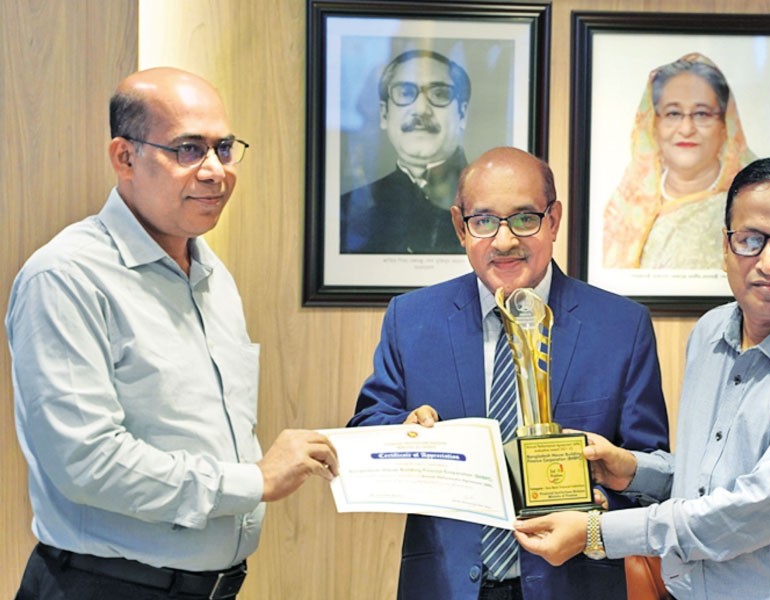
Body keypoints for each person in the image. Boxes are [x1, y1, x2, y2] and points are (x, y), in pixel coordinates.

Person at [6, 67, 339, 600]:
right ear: (125, 157)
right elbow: (86, 462)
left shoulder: (212, 274)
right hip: (104, 587)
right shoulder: (65, 276)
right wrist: (254, 481)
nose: (215, 171)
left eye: (224, 148)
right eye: (188, 149)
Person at [514, 158, 770, 600]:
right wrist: (630, 471)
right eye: (749, 240)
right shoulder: (710, 334)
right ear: (726, 246)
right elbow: (705, 483)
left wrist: (596, 532)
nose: (768, 262)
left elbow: (746, 514)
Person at [348, 147, 669, 599]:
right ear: (460, 227)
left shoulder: (621, 327)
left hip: (574, 583)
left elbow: (652, 474)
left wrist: (600, 509)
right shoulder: (412, 319)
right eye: (484, 221)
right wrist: (404, 431)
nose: (504, 241)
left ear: (553, 220)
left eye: (524, 219)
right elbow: (364, 432)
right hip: (444, 584)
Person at [603, 52, 756, 269]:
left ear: (725, 125)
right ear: (653, 124)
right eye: (673, 114)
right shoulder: (624, 208)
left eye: (702, 114)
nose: (686, 129)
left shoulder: (749, 204)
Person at [341, 49, 470, 254]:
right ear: (384, 114)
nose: (420, 110)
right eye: (405, 93)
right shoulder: (347, 209)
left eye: (439, 94)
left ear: (462, 114)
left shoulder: (491, 204)